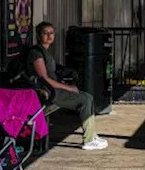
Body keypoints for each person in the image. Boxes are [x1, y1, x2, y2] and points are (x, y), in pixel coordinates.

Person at [28, 21, 106, 150]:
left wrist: (63, 84)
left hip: (54, 89)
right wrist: (68, 88)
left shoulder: (45, 52)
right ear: (38, 35)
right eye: (45, 33)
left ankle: (91, 134)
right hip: (49, 92)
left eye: (51, 33)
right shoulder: (36, 53)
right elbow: (44, 78)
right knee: (85, 100)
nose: (49, 36)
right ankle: (88, 140)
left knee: (88, 97)